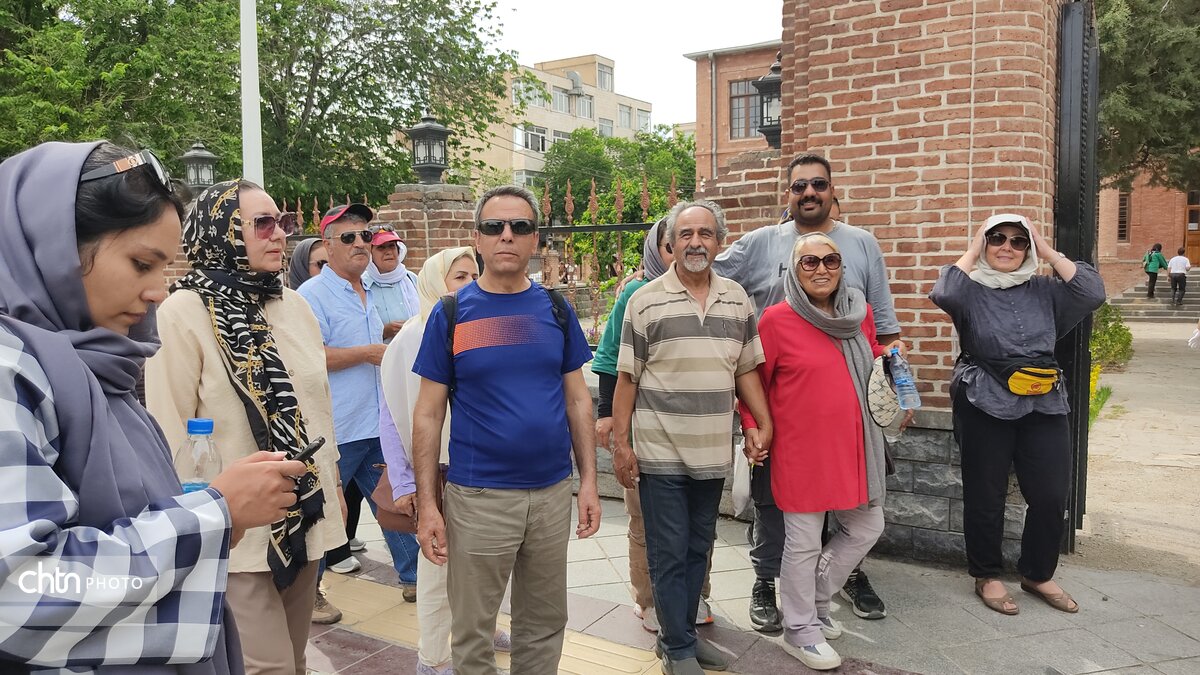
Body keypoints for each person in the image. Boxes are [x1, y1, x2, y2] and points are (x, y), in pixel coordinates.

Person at [0, 140, 306, 672]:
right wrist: (214, 514)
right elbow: (21, 591)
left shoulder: (96, 366)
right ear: (52, 248)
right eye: (141, 263)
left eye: (162, 268)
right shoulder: (13, 371)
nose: (157, 292)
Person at [146, 180, 347, 674]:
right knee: (266, 666)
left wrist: (335, 483)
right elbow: (166, 430)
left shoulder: (294, 306)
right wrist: (194, 523)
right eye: (262, 223)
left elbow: (317, 407)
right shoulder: (182, 312)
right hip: (234, 529)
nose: (279, 234)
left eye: (283, 222)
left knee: (294, 659)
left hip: (303, 514)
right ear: (221, 230)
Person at [410, 185, 601, 674]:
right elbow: (428, 414)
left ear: (536, 239)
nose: (507, 236)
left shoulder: (555, 309)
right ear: (477, 238)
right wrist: (428, 505)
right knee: (473, 631)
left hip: (551, 494)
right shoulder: (451, 313)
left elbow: (578, 399)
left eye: (520, 226)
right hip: (480, 498)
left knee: (544, 623)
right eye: (495, 226)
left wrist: (589, 483)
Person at [712, 153, 900, 630]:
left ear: (833, 191)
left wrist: (896, 387)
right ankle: (767, 582)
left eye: (818, 184)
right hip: (786, 415)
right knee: (782, 516)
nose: (809, 192)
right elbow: (706, 273)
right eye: (799, 186)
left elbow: (880, 333)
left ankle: (838, 580)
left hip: (851, 420)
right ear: (788, 193)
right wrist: (653, 277)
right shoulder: (762, 246)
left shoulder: (862, 245)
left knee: (856, 512)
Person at [613, 201, 772, 675]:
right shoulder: (645, 300)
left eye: (705, 234)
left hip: (712, 452)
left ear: (720, 242)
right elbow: (627, 379)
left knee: (698, 549)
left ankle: (678, 637)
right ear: (670, 244)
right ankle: (678, 648)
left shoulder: (737, 299)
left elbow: (745, 369)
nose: (695, 242)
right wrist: (621, 445)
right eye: (685, 234)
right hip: (660, 452)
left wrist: (761, 423)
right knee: (667, 551)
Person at [930, 213, 1105, 616]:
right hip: (984, 399)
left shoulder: (1046, 290)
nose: (1007, 247)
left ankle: (1037, 574)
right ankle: (986, 574)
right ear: (985, 243)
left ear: (1028, 248)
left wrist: (1046, 249)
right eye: (997, 238)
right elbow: (944, 291)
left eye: (1017, 240)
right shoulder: (969, 290)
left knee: (1050, 494)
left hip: (1044, 401)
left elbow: (1092, 291)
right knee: (985, 494)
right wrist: (974, 246)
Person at [746, 233, 902, 670]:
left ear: (841, 266)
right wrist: (752, 428)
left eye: (830, 260)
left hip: (854, 445)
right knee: (802, 541)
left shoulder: (859, 312)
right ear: (794, 271)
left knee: (867, 525)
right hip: (799, 450)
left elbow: (867, 355)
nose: (821, 269)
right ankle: (800, 629)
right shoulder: (776, 320)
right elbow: (753, 381)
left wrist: (890, 360)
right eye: (809, 262)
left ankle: (815, 602)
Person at [379, 246, 511, 675]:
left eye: (474, 275)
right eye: (459, 277)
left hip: (486, 467)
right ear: (436, 282)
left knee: (487, 563)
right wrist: (406, 484)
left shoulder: (481, 328)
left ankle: (482, 631)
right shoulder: (414, 336)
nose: (470, 284)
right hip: (437, 472)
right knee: (439, 569)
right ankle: (434, 658)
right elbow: (392, 414)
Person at [595, 219, 718, 632]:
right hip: (648, 431)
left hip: (698, 436)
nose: (681, 252)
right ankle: (648, 599)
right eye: (672, 244)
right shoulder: (637, 295)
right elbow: (611, 359)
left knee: (699, 526)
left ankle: (695, 595)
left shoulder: (716, 294)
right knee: (646, 523)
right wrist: (608, 416)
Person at [297, 203, 421, 600]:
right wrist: (367, 353)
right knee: (323, 512)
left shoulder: (368, 288)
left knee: (395, 502)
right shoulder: (311, 296)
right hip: (337, 426)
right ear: (328, 245)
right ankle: (308, 594)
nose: (360, 244)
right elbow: (309, 356)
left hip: (376, 421)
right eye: (348, 237)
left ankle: (416, 579)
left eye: (365, 235)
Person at [365, 225, 420, 340]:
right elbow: (355, 333)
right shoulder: (363, 286)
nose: (389, 252)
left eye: (392, 246)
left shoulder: (411, 279)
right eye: (381, 247)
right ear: (370, 254)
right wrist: (384, 332)